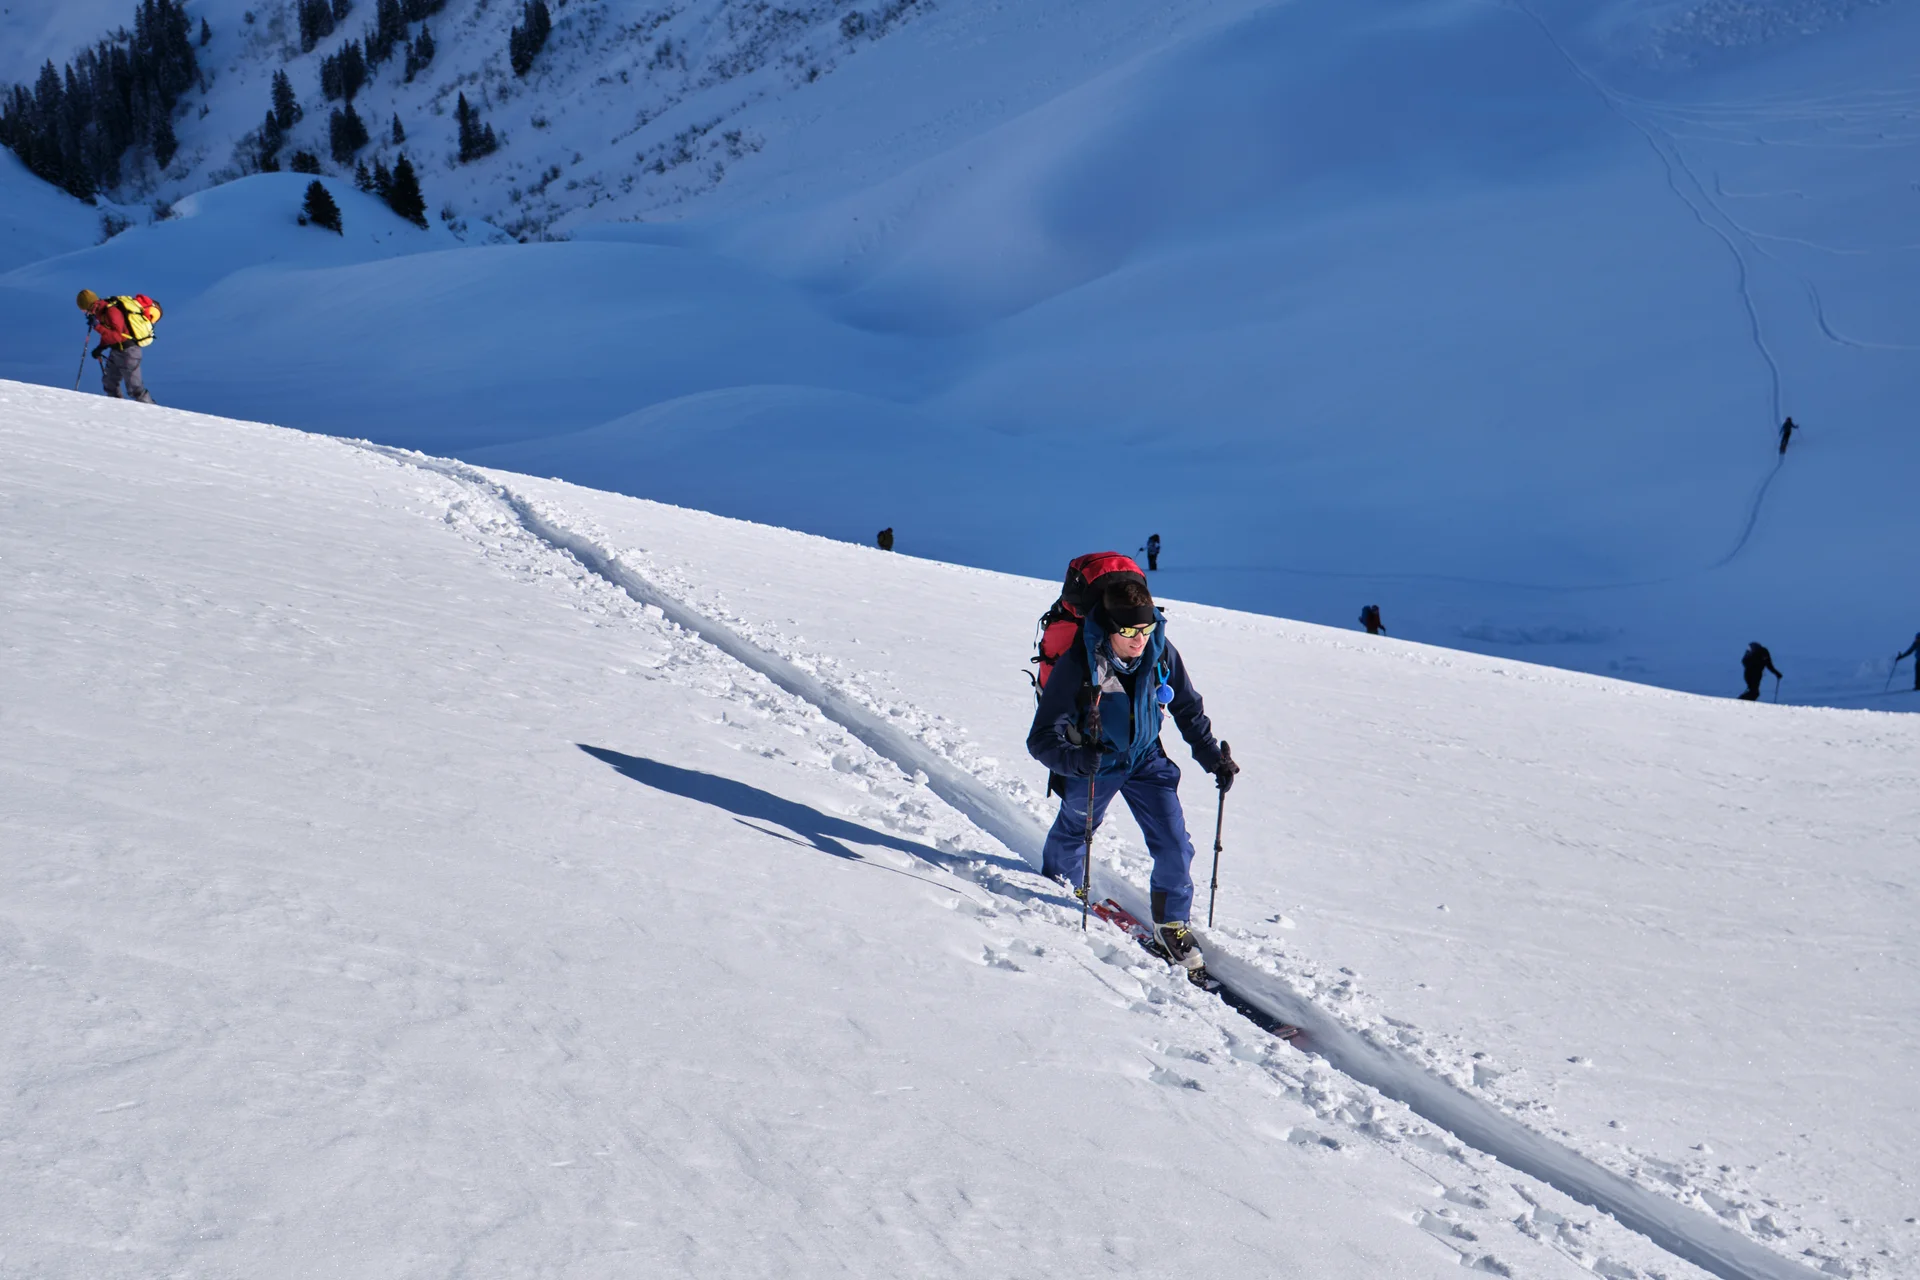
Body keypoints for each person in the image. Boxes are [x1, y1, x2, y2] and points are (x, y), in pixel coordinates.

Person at [1027, 578, 1237, 974]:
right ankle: (1057, 890)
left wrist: (1213, 757)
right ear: (1109, 626)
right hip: (1094, 762)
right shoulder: (1078, 663)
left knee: (1175, 842)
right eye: (1128, 631)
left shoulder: (1160, 649)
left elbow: (1187, 708)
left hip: (1145, 758)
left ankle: (1171, 924)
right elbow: (1040, 739)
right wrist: (1075, 762)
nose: (1139, 639)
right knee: (1076, 830)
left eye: (1146, 629)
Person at [78, 289, 158, 404]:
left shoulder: (111, 311)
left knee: (135, 389)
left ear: (88, 305)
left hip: (129, 352)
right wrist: (101, 347)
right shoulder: (101, 312)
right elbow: (109, 333)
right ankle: (117, 411)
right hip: (117, 351)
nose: (83, 312)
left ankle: (153, 413)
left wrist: (97, 327)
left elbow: (117, 336)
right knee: (109, 383)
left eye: (83, 309)